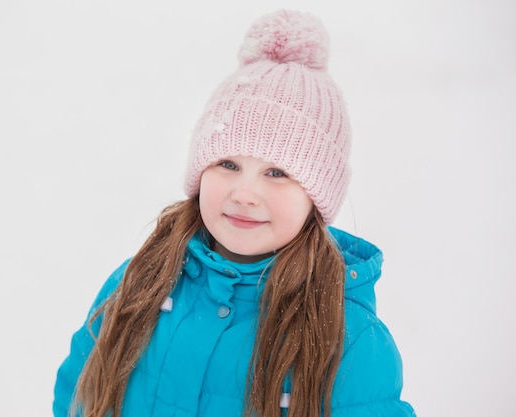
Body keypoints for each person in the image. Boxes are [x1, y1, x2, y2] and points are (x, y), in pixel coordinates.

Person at [53, 9, 415, 417]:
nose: (245, 193)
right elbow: (78, 394)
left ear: (316, 196)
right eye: (228, 164)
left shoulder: (348, 338)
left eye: (277, 172)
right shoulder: (138, 285)